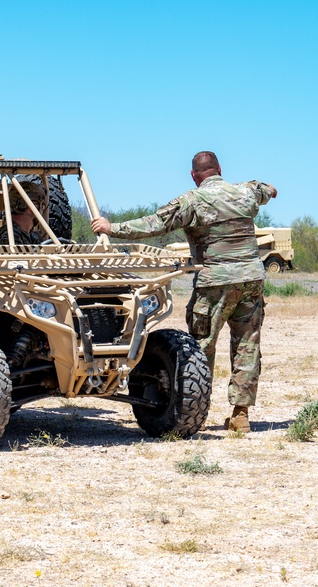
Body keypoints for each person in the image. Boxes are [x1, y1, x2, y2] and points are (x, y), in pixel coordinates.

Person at [90, 151, 277, 433]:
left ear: (194, 175)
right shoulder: (247, 191)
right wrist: (264, 190)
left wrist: (111, 227)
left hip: (214, 282)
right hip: (251, 280)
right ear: (220, 169)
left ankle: (195, 410)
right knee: (247, 347)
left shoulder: (192, 200)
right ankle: (240, 415)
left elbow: (154, 224)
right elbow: (270, 190)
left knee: (200, 349)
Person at [0, 179, 47, 246]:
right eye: (42, 205)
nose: (42, 209)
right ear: (34, 206)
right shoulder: (9, 237)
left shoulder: (33, 237)